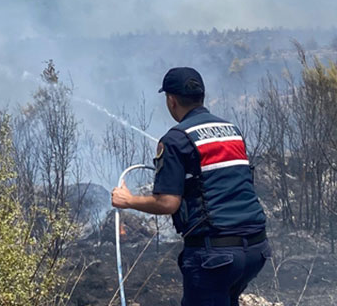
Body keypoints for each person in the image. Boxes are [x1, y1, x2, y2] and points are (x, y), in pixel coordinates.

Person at [111, 67, 270, 306]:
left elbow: (167, 202)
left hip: (215, 255)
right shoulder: (232, 131)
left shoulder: (175, 139)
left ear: (171, 100)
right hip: (256, 250)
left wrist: (127, 200)